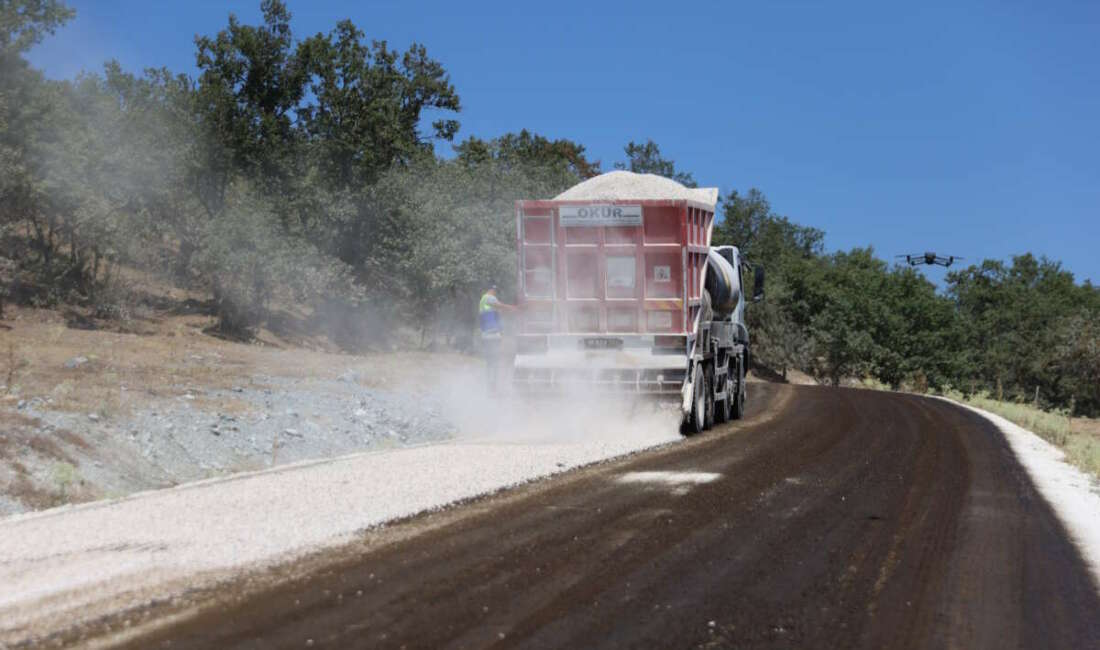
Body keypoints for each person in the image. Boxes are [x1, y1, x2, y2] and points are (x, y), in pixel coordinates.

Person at [478, 285, 516, 391]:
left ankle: (491, 385)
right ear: (492, 290)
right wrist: (512, 308)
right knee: (495, 361)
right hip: (492, 335)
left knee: (490, 362)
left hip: (486, 335)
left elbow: (497, 312)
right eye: (495, 291)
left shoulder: (483, 301)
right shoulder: (488, 297)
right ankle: (493, 386)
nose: (496, 294)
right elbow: (498, 305)